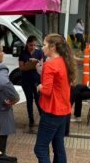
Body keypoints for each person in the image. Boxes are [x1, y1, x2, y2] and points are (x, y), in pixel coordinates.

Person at [34, 33, 76, 163]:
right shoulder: (64, 61)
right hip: (64, 111)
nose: (42, 48)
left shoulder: (50, 64)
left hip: (52, 111)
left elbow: (46, 90)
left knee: (40, 148)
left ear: (52, 47)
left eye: (44, 45)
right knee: (58, 147)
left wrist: (39, 86)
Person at [19, 35, 43, 127]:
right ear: (27, 44)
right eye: (30, 45)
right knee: (29, 100)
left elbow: (42, 65)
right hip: (26, 79)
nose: (32, 47)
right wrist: (27, 64)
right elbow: (21, 67)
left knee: (38, 98)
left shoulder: (39, 52)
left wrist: (36, 61)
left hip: (36, 79)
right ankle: (31, 119)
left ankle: (42, 116)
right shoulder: (23, 53)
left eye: (34, 45)